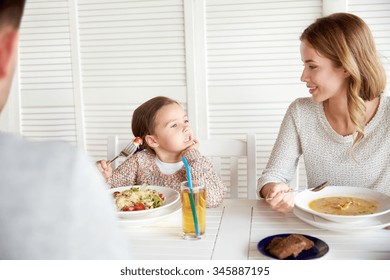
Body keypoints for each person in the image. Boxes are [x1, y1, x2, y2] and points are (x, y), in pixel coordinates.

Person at [0, 0, 131, 259]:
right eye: (174, 124)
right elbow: (120, 189)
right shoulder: (59, 173)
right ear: (6, 51)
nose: (186, 128)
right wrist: (98, 180)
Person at [257, 13, 389, 213]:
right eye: (304, 65)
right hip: (320, 233)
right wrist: (275, 190)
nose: (303, 76)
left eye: (312, 66)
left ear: (346, 67)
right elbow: (273, 176)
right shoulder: (301, 112)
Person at [97, 96, 226, 208]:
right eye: (174, 125)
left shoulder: (199, 163)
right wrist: (104, 178)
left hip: (186, 225)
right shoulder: (139, 162)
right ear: (153, 141)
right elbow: (112, 195)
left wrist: (192, 157)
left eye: (185, 120)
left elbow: (212, 200)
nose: (186, 127)